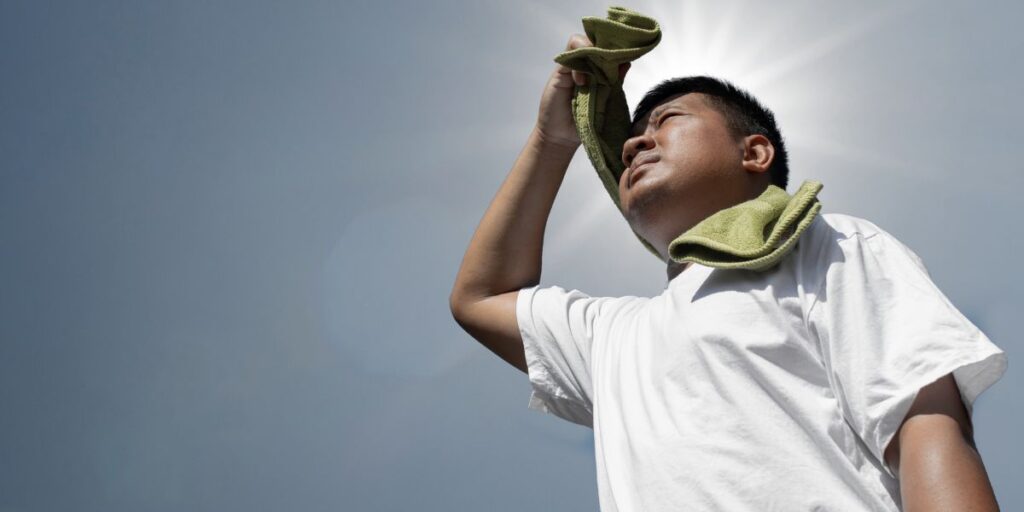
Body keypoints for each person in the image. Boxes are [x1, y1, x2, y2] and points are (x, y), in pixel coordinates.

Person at [448, 33, 1006, 511]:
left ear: (755, 153)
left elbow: (926, 422)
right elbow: (480, 296)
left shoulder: (824, 244)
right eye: (629, 143)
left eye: (668, 121)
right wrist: (552, 138)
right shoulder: (613, 336)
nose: (638, 141)